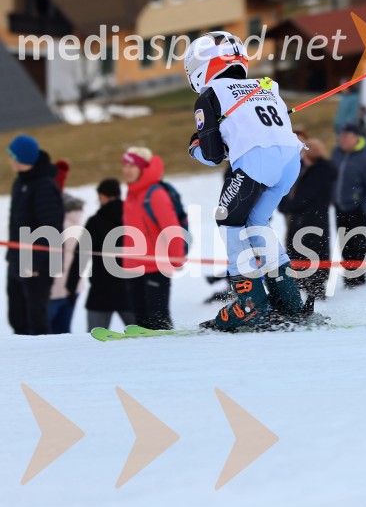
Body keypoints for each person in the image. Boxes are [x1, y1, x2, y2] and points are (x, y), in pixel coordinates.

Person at [185, 31, 307, 330]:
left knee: (228, 220)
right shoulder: (267, 86)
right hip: (291, 160)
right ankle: (289, 302)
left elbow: (214, 155)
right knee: (256, 224)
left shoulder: (210, 95)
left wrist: (195, 148)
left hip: (258, 161)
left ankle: (250, 303)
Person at [6, 135, 64, 335]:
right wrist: (12, 256)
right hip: (19, 258)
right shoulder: (20, 182)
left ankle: (41, 363)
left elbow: (51, 227)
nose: (9, 160)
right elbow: (16, 223)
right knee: (17, 316)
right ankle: (23, 362)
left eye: (12, 156)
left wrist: (35, 264)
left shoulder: (44, 185)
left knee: (36, 320)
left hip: (37, 263)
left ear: (22, 159)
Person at [121, 147, 185, 330]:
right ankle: (146, 357)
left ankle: (167, 355)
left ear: (142, 168)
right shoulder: (131, 194)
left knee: (158, 321)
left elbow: (171, 229)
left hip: (156, 267)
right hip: (133, 268)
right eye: (124, 165)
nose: (126, 170)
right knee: (141, 322)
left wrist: (177, 257)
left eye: (131, 165)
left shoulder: (155, 194)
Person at [66, 179, 135, 330]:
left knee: (95, 340)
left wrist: (70, 287)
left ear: (102, 196)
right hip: (131, 289)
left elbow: (81, 257)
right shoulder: (133, 217)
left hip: (101, 291)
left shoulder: (95, 222)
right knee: (143, 338)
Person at [279, 139, 337, 298]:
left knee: (310, 254)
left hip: (309, 222)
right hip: (308, 221)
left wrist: (286, 206)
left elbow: (303, 197)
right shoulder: (315, 170)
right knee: (308, 253)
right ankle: (307, 285)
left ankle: (314, 288)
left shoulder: (319, 172)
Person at [331, 123, 366, 288]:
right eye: (341, 136)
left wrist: (364, 207)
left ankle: (358, 278)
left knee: (358, 243)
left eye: (346, 136)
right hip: (339, 206)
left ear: (355, 137)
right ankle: (348, 276)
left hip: (358, 208)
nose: (342, 139)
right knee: (344, 242)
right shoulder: (337, 153)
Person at [48, 160, 85, 334]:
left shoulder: (50, 216)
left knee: (41, 339)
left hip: (51, 290)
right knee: (62, 335)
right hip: (73, 287)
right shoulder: (74, 214)